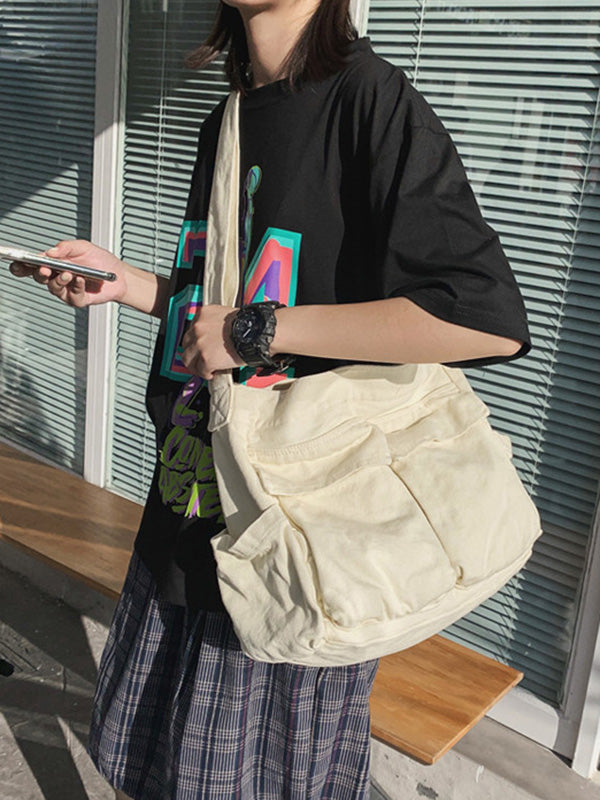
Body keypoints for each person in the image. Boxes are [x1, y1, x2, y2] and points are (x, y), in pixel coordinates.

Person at [10, 0, 532, 797]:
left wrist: (256, 330)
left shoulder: (370, 100)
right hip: (187, 513)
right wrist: (128, 284)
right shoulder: (226, 121)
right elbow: (222, 311)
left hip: (295, 549)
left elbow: (481, 319)